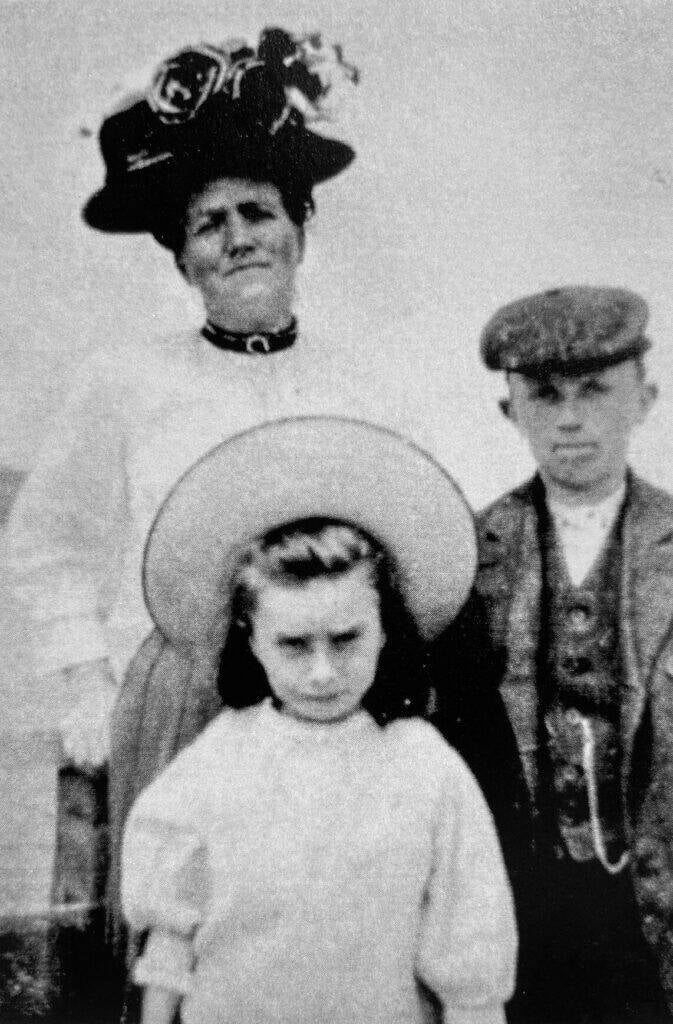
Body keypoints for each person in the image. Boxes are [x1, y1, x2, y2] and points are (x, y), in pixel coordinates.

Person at [4, 27, 375, 774]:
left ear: (298, 230)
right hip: (178, 710)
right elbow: (50, 542)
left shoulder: (361, 385)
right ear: (181, 258)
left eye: (258, 212)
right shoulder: (124, 382)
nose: (238, 238)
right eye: (209, 224)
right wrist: (88, 682)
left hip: (331, 705)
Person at [120, 414, 516, 1024]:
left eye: (347, 639)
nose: (324, 673)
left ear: (386, 628)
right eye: (294, 644)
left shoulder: (424, 764)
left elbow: (471, 957)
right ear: (251, 640)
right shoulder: (216, 762)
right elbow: (169, 937)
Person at [431, 285, 673, 1023]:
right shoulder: (464, 554)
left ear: (644, 398)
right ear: (510, 413)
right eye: (543, 396)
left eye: (595, 391)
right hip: (523, 899)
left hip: (654, 897)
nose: (569, 419)